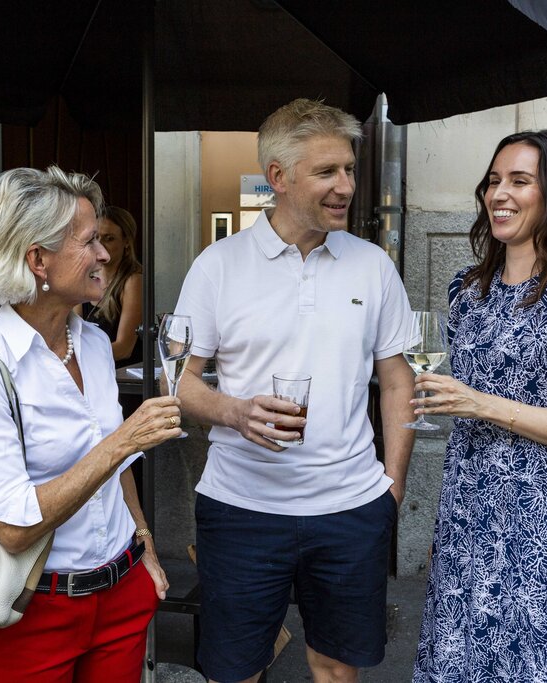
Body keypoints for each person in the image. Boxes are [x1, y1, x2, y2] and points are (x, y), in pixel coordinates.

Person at [172, 98, 415, 683]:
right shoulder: (217, 266)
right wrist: (232, 410)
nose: (346, 186)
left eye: (350, 170)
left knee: (335, 665)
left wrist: (392, 490)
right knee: (236, 670)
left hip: (352, 508)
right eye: (327, 172)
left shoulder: (374, 266)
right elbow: (174, 379)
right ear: (278, 178)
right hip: (241, 510)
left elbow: (398, 380)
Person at [0, 166, 182, 682]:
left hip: (121, 597)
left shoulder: (93, 343)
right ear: (38, 260)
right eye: (90, 240)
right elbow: (11, 528)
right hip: (30, 613)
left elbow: (117, 467)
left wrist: (143, 546)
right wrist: (123, 442)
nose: (105, 254)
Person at [411, 130, 547, 682]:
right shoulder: (466, 290)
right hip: (467, 521)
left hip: (544, 536)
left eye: (520, 181)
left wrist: (480, 403)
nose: (499, 193)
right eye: (493, 181)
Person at [82, 206, 144, 367]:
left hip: (121, 380)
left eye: (109, 238)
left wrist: (75, 359)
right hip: (88, 375)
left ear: (126, 242)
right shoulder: (84, 278)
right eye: (95, 238)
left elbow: (124, 348)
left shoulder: (133, 281)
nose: (100, 245)